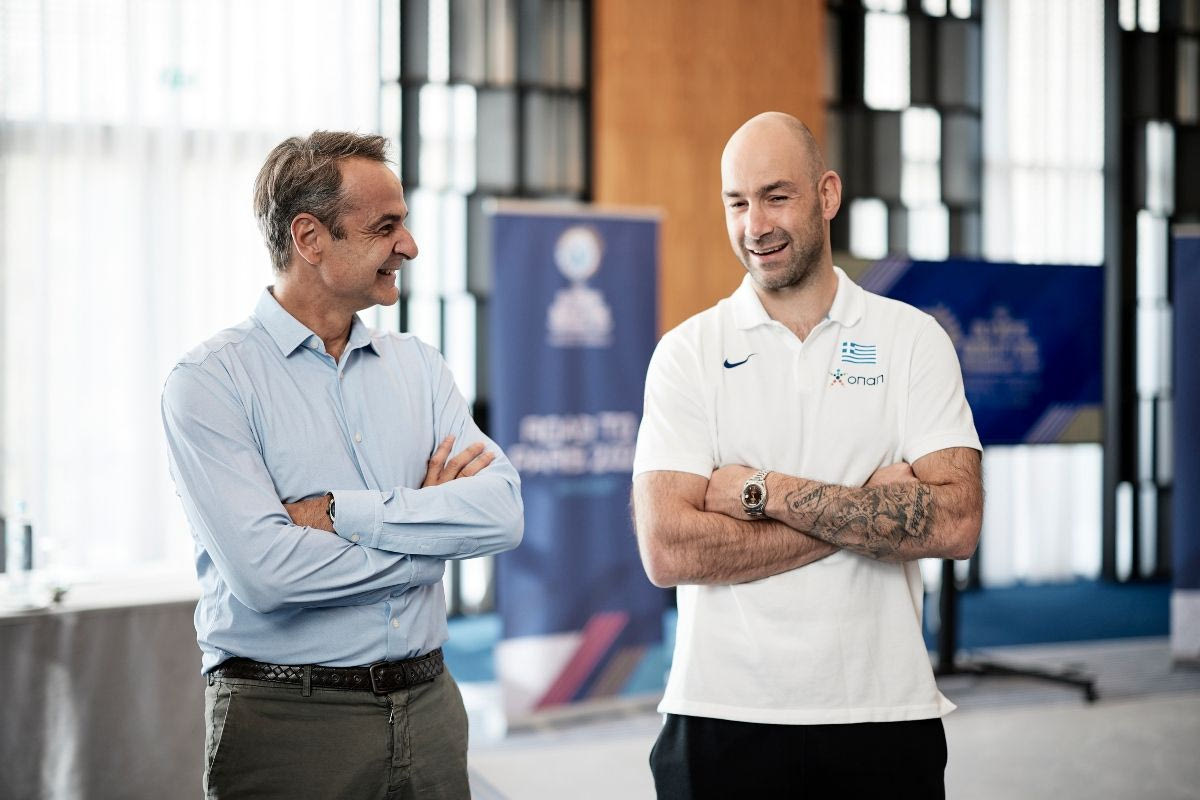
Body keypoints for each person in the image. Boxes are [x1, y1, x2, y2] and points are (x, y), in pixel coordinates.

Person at [161, 131, 523, 799]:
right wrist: (430, 544)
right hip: (289, 723)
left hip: (432, 708)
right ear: (309, 237)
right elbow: (267, 575)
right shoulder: (210, 382)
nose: (409, 245)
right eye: (385, 227)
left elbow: (502, 515)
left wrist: (338, 513)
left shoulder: (420, 368)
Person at [631, 112, 983, 798]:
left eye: (776, 196)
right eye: (737, 203)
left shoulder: (912, 340)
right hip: (720, 712)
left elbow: (956, 521)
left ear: (827, 195)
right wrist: (870, 511)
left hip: (883, 712)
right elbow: (668, 549)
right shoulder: (687, 353)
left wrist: (762, 493)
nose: (755, 225)